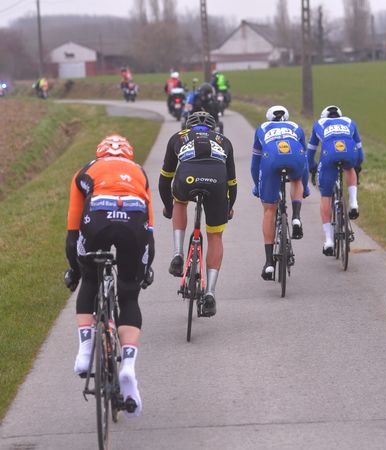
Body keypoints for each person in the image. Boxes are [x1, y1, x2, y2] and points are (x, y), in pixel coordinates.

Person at [63, 134, 155, 417]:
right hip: (134, 219)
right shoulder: (139, 172)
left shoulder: (86, 171)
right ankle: (127, 365)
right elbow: (150, 229)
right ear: (128, 155)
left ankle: (85, 351)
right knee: (129, 294)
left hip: (98, 218)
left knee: (90, 280)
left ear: (99, 153)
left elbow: (73, 231)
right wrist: (145, 270)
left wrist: (75, 270)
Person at [158, 111, 237, 317]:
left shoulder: (178, 137)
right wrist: (229, 207)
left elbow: (165, 179)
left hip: (188, 178)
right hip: (217, 182)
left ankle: (178, 254)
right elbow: (232, 182)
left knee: (179, 201)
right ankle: (210, 293)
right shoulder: (224, 140)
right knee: (215, 236)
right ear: (213, 128)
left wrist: (168, 206)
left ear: (188, 126)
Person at [251, 105, 309, 281]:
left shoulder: (262, 128)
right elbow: (305, 162)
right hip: (294, 156)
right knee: (296, 179)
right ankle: (296, 216)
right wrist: (305, 186)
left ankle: (269, 263)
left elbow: (255, 164)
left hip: (271, 158)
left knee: (269, 210)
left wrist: (257, 186)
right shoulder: (296, 127)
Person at [307, 105, 364, 256]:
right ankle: (353, 203)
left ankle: (329, 241)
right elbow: (360, 151)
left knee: (325, 195)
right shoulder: (349, 122)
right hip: (349, 152)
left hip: (330, 155)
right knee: (350, 168)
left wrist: (312, 167)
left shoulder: (319, 124)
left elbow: (310, 152)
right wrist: (357, 166)